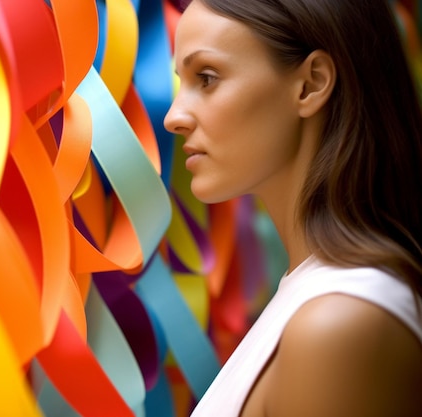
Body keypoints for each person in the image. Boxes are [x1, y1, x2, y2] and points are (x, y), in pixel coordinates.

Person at [164, 0, 422, 415]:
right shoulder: (314, 301)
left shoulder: (339, 323)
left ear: (311, 84)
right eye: (182, 81)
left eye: (207, 78)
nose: (174, 117)